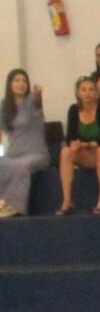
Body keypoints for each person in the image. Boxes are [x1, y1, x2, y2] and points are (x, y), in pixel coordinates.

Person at [57, 77, 100, 215]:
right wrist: (75, 145)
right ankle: (67, 200)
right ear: (78, 93)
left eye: (91, 90)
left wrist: (83, 144)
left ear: (96, 93)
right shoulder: (73, 110)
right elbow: (71, 137)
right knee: (65, 152)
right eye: (84, 90)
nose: (87, 93)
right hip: (91, 154)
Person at [0, 69, 47, 217]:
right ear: (10, 84)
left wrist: (39, 95)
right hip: (13, 154)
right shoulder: (4, 106)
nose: (21, 84)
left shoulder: (32, 101)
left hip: (35, 154)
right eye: (17, 80)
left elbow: (38, 103)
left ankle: (12, 206)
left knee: (22, 166)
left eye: (24, 80)